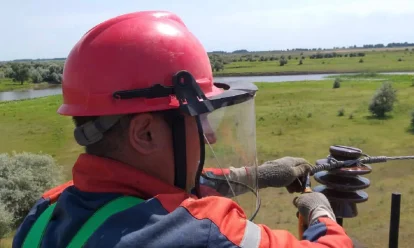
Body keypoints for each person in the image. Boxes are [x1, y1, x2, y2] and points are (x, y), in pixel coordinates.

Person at [12, 11, 353, 248]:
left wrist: (257, 175)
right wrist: (321, 212)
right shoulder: (204, 234)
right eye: (197, 117)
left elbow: (154, 189)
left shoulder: (43, 213)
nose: (210, 135)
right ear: (144, 133)